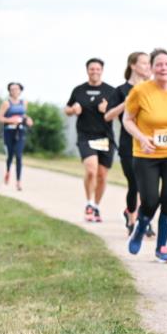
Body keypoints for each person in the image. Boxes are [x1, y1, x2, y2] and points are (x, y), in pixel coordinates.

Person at [123, 48, 167, 263]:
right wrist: (142, 138)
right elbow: (127, 119)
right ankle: (140, 229)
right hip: (146, 154)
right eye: (159, 65)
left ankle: (162, 246)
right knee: (150, 201)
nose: (164, 68)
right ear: (152, 68)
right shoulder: (140, 91)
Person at [105, 51, 153, 236]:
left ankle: (144, 220)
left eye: (149, 63)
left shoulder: (151, 89)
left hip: (148, 144)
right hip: (128, 144)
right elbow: (108, 115)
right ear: (133, 65)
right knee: (135, 184)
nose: (147, 67)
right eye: (144, 63)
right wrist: (126, 104)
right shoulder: (121, 90)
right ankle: (132, 218)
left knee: (147, 186)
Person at [65, 58, 117, 222]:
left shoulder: (111, 91)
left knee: (102, 175)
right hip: (85, 136)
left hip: (105, 137)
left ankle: (96, 206)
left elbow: (120, 113)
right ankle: (88, 202)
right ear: (87, 70)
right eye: (91, 69)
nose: (94, 72)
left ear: (102, 70)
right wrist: (73, 110)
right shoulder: (79, 90)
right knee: (91, 170)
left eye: (97, 69)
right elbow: (67, 108)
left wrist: (107, 109)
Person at [0, 83, 34, 191]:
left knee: (19, 155)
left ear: (20, 90)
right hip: (9, 132)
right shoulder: (6, 103)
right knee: (10, 155)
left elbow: (23, 115)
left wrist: (28, 119)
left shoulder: (24, 102)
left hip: (20, 131)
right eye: (12, 89)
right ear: (9, 91)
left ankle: (18, 182)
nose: (14, 91)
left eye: (16, 89)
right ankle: (7, 171)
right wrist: (10, 120)